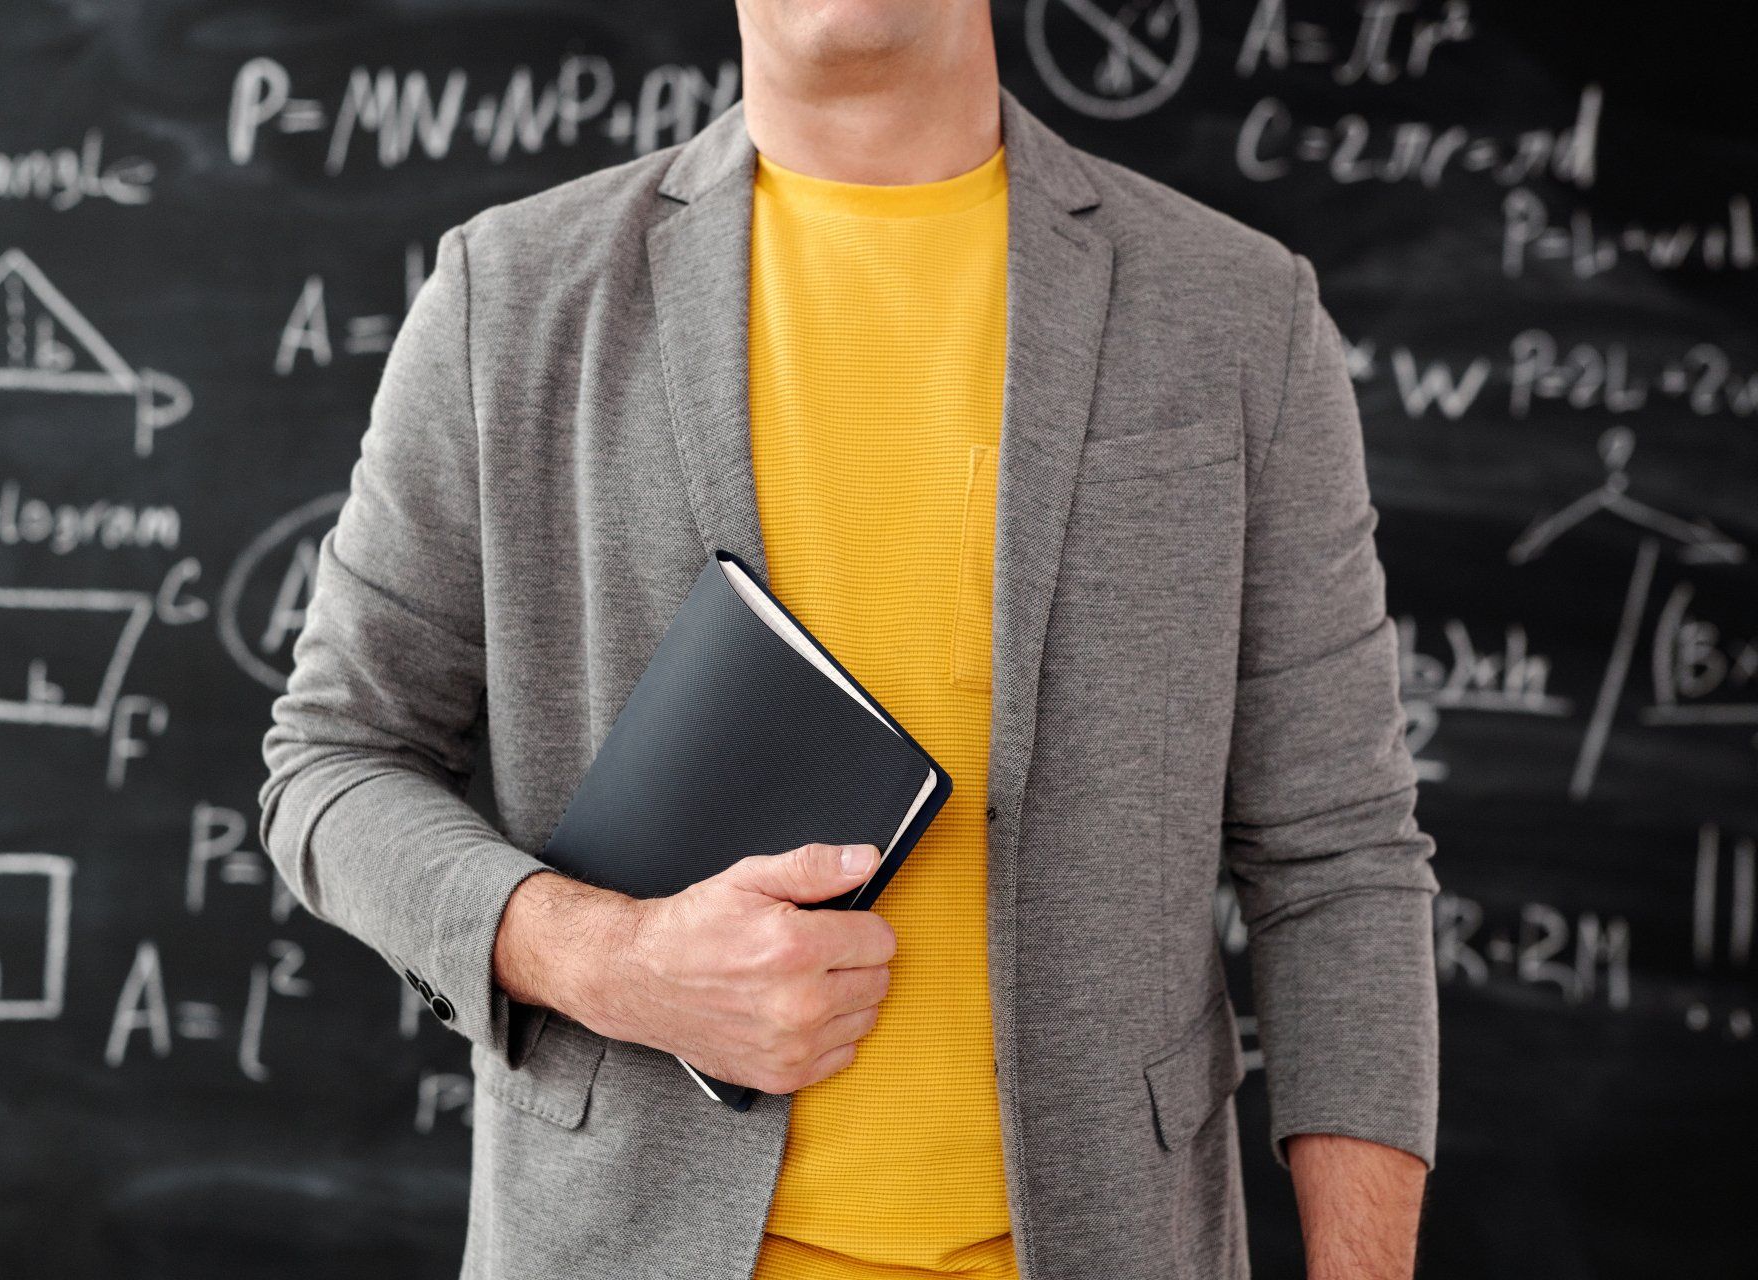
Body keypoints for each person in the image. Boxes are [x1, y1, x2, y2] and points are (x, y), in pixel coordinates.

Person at [257, 1, 1440, 1277]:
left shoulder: (1238, 316)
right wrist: (614, 960)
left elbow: (1340, 853)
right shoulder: (515, 296)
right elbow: (331, 763)